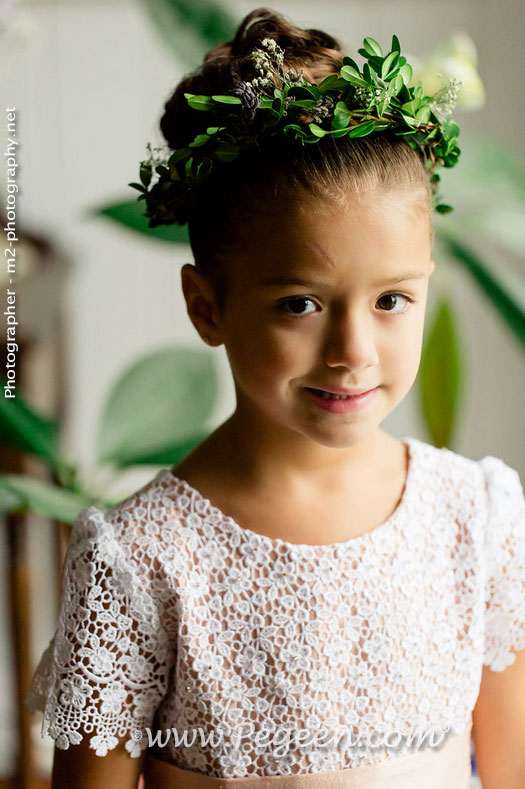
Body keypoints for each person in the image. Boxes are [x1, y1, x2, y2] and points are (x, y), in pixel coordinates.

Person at [26, 7, 525, 789]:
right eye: (300, 303)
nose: (353, 352)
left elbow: (508, 768)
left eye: (392, 300)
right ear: (207, 305)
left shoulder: (476, 516)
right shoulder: (141, 561)